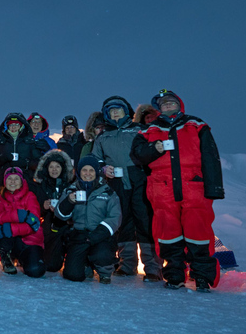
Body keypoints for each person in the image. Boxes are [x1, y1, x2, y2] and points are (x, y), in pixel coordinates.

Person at [130, 90, 225, 292]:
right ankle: (174, 275)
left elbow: (210, 157)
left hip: (194, 188)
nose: (168, 107)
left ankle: (202, 277)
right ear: (158, 109)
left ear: (179, 105)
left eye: (171, 103)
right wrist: (154, 149)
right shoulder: (149, 130)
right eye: (163, 105)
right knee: (167, 235)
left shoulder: (196, 125)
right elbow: (136, 155)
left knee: (198, 234)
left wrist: (214, 187)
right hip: (162, 191)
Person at [92, 96, 162, 281]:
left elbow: (151, 153)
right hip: (116, 182)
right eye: (111, 110)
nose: (115, 112)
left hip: (140, 179)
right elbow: (95, 160)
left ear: (126, 112)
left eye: (119, 109)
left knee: (145, 221)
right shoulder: (102, 136)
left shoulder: (140, 130)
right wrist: (103, 168)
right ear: (106, 114)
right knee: (122, 222)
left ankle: (153, 267)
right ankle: (127, 264)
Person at [54, 155, 121, 284]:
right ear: (79, 172)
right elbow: (60, 214)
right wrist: (69, 201)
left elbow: (115, 217)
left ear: (96, 172)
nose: (88, 174)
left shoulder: (107, 191)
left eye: (91, 170)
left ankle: (104, 272)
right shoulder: (71, 189)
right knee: (72, 275)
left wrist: (96, 235)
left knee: (102, 254)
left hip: (101, 235)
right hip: (79, 236)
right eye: (84, 170)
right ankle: (86, 265)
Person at [0, 167, 46, 277]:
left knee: (35, 270)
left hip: (30, 241)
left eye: (16, 179)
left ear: (22, 181)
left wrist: (9, 228)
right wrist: (19, 216)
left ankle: (24, 259)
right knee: (0, 232)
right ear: (4, 181)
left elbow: (33, 224)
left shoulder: (30, 196)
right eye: (9, 179)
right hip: (10, 241)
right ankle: (6, 256)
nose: (12, 182)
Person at [31, 149, 75, 272]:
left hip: (67, 226)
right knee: (52, 266)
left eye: (57, 166)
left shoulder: (70, 186)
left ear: (63, 168)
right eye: (51, 167)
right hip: (49, 227)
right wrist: (42, 207)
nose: (54, 169)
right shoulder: (40, 187)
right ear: (46, 168)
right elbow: (32, 209)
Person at [0, 113, 44, 196]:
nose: (13, 127)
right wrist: (4, 158)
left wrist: (25, 163)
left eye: (16, 125)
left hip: (26, 185)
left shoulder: (30, 142)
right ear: (6, 126)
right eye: (11, 125)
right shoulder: (0, 142)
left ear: (22, 126)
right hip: (2, 186)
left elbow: (39, 163)